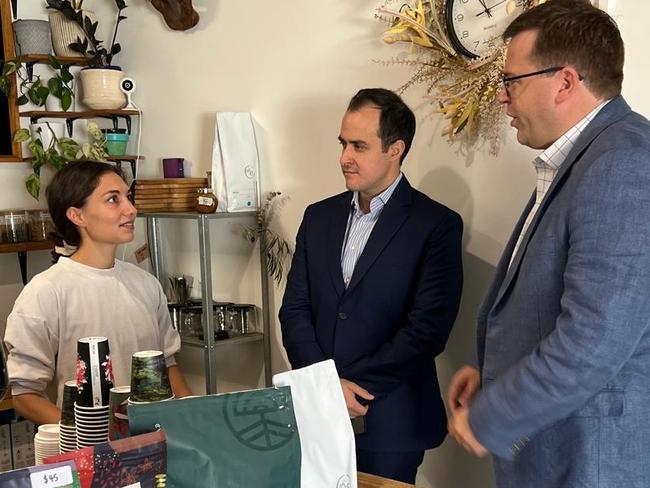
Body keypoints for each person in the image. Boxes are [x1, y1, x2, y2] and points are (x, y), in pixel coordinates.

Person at [447, 1, 650, 487]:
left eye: (512, 81)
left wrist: (494, 413)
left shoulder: (622, 163)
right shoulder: (583, 161)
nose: (502, 98)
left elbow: (594, 340)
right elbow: (545, 303)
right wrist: (493, 374)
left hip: (587, 461)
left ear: (564, 81)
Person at [280, 88, 463, 483]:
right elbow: (294, 309)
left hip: (391, 421)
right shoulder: (318, 217)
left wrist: (354, 387)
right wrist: (326, 387)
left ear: (395, 149)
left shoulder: (435, 225)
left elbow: (427, 331)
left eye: (359, 146)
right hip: (316, 412)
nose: (345, 157)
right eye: (343, 143)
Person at [4, 160, 192, 425]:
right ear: (77, 215)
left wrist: (194, 421)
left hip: (152, 442)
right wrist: (87, 438)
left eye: (128, 197)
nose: (131, 209)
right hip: (85, 455)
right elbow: (25, 395)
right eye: (113, 199)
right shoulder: (45, 292)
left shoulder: (146, 284)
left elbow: (167, 365)